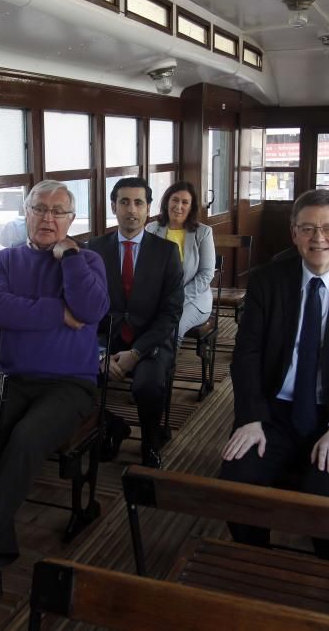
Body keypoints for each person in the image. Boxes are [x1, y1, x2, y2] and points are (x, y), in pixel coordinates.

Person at [218, 189, 329, 561]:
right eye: (308, 228)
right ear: (293, 233)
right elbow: (246, 354)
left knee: (326, 501)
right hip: (274, 413)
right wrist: (250, 418)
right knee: (234, 483)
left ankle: (327, 578)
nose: (318, 239)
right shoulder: (268, 279)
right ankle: (256, 562)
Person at [0, 180, 109, 600]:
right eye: (39, 209)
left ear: (71, 220)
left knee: (26, 439)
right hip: (11, 376)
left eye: (59, 211)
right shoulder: (4, 259)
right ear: (25, 213)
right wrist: (57, 312)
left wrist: (68, 257)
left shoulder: (87, 260)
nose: (48, 218)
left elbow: (90, 310)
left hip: (71, 382)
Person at [87, 176, 183, 468]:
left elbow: (171, 312)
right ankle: (111, 425)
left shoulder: (165, 252)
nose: (132, 209)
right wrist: (100, 353)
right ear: (113, 206)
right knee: (74, 375)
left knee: (148, 385)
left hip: (150, 341)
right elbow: (84, 308)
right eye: (124, 202)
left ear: (149, 208)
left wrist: (136, 353)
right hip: (106, 338)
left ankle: (150, 443)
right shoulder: (94, 248)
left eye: (138, 202)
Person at [145, 181, 215, 341]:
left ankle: (166, 366)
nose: (179, 206)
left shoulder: (204, 232)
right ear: (167, 202)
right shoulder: (151, 228)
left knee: (172, 329)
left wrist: (177, 299)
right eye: (175, 200)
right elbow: (146, 268)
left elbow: (206, 274)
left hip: (193, 300)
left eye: (185, 202)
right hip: (158, 299)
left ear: (191, 207)